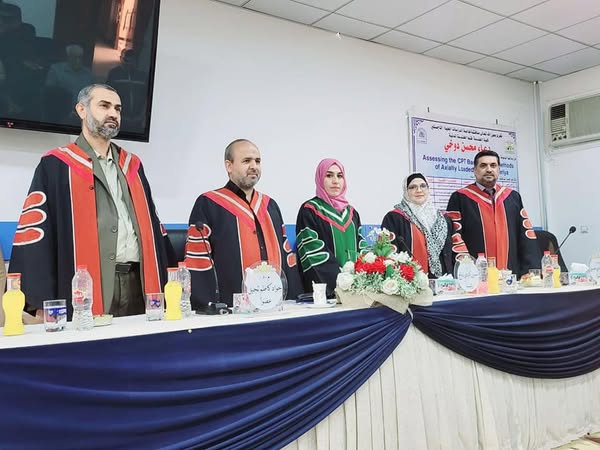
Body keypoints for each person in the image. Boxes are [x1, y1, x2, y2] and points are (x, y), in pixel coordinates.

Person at [9, 84, 169, 318]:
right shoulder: (56, 165)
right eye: (104, 106)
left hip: (139, 282)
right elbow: (39, 232)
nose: (113, 113)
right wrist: (43, 299)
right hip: (87, 285)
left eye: (118, 108)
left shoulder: (132, 166)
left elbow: (152, 227)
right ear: (81, 110)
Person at [184, 139, 302, 309]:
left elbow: (286, 255)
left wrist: (293, 300)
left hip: (274, 306)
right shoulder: (209, 204)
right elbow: (198, 259)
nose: (254, 166)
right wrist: (208, 306)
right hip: (230, 308)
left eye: (257, 161)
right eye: (246, 161)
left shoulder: (270, 205)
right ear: (229, 166)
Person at [446, 150, 540, 277]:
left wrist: (530, 270)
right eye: (483, 165)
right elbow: (454, 236)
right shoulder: (459, 198)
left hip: (510, 275)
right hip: (475, 276)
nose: (489, 169)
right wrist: (467, 265)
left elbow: (526, 236)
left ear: (499, 170)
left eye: (493, 165)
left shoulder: (512, 197)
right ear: (474, 170)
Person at [295, 158, 365, 297]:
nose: (335, 181)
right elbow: (312, 251)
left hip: (356, 291)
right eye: (329, 175)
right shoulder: (310, 210)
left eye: (340, 176)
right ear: (320, 179)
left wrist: (363, 280)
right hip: (326, 292)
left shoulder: (352, 213)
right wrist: (341, 283)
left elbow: (361, 247)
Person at [382, 173, 456, 278]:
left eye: (423, 186)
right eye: (412, 187)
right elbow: (389, 252)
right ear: (406, 191)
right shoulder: (395, 218)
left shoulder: (442, 218)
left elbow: (452, 249)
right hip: (412, 280)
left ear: (428, 189)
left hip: (444, 280)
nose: (419, 190)